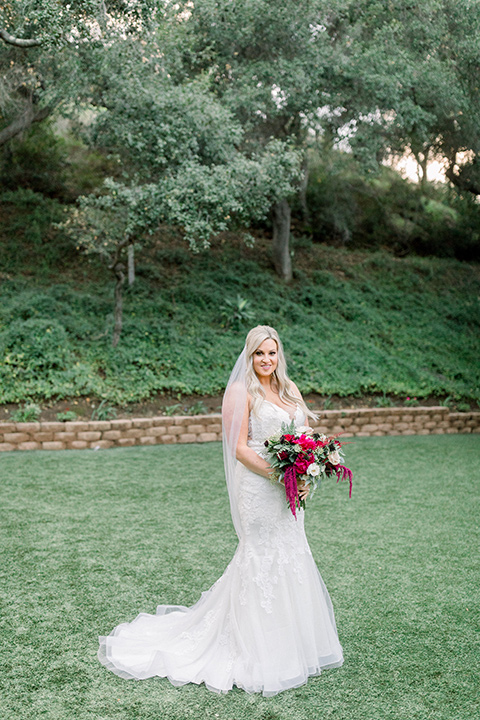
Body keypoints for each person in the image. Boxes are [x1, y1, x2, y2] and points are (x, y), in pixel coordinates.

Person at [98, 325, 343, 696]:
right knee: (260, 557)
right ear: (249, 355)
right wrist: (280, 476)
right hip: (260, 489)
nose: (266, 360)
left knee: (291, 552)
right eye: (259, 353)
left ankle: (290, 644)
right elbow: (240, 449)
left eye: (272, 353)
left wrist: (308, 469)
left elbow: (306, 436)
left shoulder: (290, 390)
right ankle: (251, 648)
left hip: (289, 491)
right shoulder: (240, 392)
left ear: (280, 355)